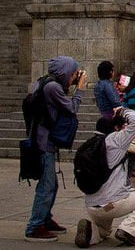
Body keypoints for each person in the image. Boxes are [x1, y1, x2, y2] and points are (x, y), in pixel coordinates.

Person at [24, 56, 87, 242]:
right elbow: (71, 108)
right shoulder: (52, 87)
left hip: (41, 139)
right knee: (46, 186)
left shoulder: (45, 82)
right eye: (74, 73)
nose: (75, 76)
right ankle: (34, 226)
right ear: (65, 71)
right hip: (43, 143)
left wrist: (73, 85)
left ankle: (45, 218)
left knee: (51, 184)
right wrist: (80, 90)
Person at [74, 108, 135, 248]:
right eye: (122, 126)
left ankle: (90, 231)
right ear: (115, 127)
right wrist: (123, 110)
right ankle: (127, 230)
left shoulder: (89, 144)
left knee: (104, 231)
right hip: (112, 203)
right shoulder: (115, 140)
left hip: (92, 205)